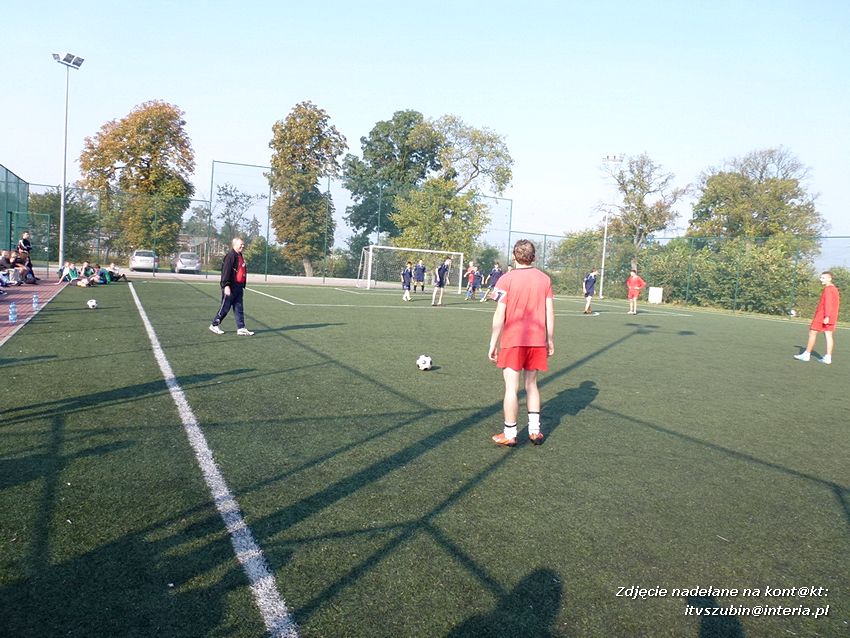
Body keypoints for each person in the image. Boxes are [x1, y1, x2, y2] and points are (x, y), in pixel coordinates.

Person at [488, 239, 555, 447]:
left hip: (513, 339)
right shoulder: (544, 279)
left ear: (514, 256)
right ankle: (535, 431)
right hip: (536, 340)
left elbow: (499, 314)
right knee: (532, 384)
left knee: (511, 387)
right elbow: (549, 312)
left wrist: (493, 343)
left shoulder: (505, 280)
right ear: (533, 257)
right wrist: (550, 339)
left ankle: (510, 433)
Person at [209, 237, 254, 336]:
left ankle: (241, 328)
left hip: (238, 286)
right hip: (231, 286)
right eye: (241, 244)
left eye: (243, 244)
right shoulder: (230, 256)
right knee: (225, 307)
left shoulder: (240, 255)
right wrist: (226, 285)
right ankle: (214, 324)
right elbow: (226, 271)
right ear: (234, 245)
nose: (243, 246)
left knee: (239, 308)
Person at [794, 271, 840, 365]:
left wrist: (826, 316)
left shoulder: (828, 289)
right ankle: (828, 357)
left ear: (829, 278)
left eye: (823, 278)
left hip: (822, 315)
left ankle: (806, 354)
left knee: (812, 332)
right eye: (821, 277)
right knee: (828, 335)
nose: (821, 279)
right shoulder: (835, 289)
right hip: (832, 316)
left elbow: (828, 303)